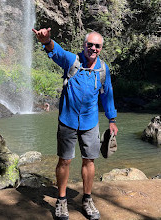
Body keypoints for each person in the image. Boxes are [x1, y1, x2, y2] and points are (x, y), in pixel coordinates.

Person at [32, 27, 118, 220]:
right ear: (84, 45)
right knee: (65, 160)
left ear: (101, 48)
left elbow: (108, 95)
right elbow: (57, 52)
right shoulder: (73, 61)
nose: (93, 48)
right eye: (90, 45)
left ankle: (87, 199)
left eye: (97, 46)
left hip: (90, 122)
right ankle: (61, 201)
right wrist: (46, 41)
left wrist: (112, 120)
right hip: (67, 120)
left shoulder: (103, 69)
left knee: (89, 160)